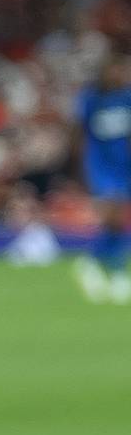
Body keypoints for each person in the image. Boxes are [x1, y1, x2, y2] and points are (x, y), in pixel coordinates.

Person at [73, 51, 131, 304]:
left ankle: (102, 266)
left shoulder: (127, 98)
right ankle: (106, 267)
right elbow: (80, 134)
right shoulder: (91, 100)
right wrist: (81, 169)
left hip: (123, 165)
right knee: (113, 215)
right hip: (100, 165)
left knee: (118, 220)